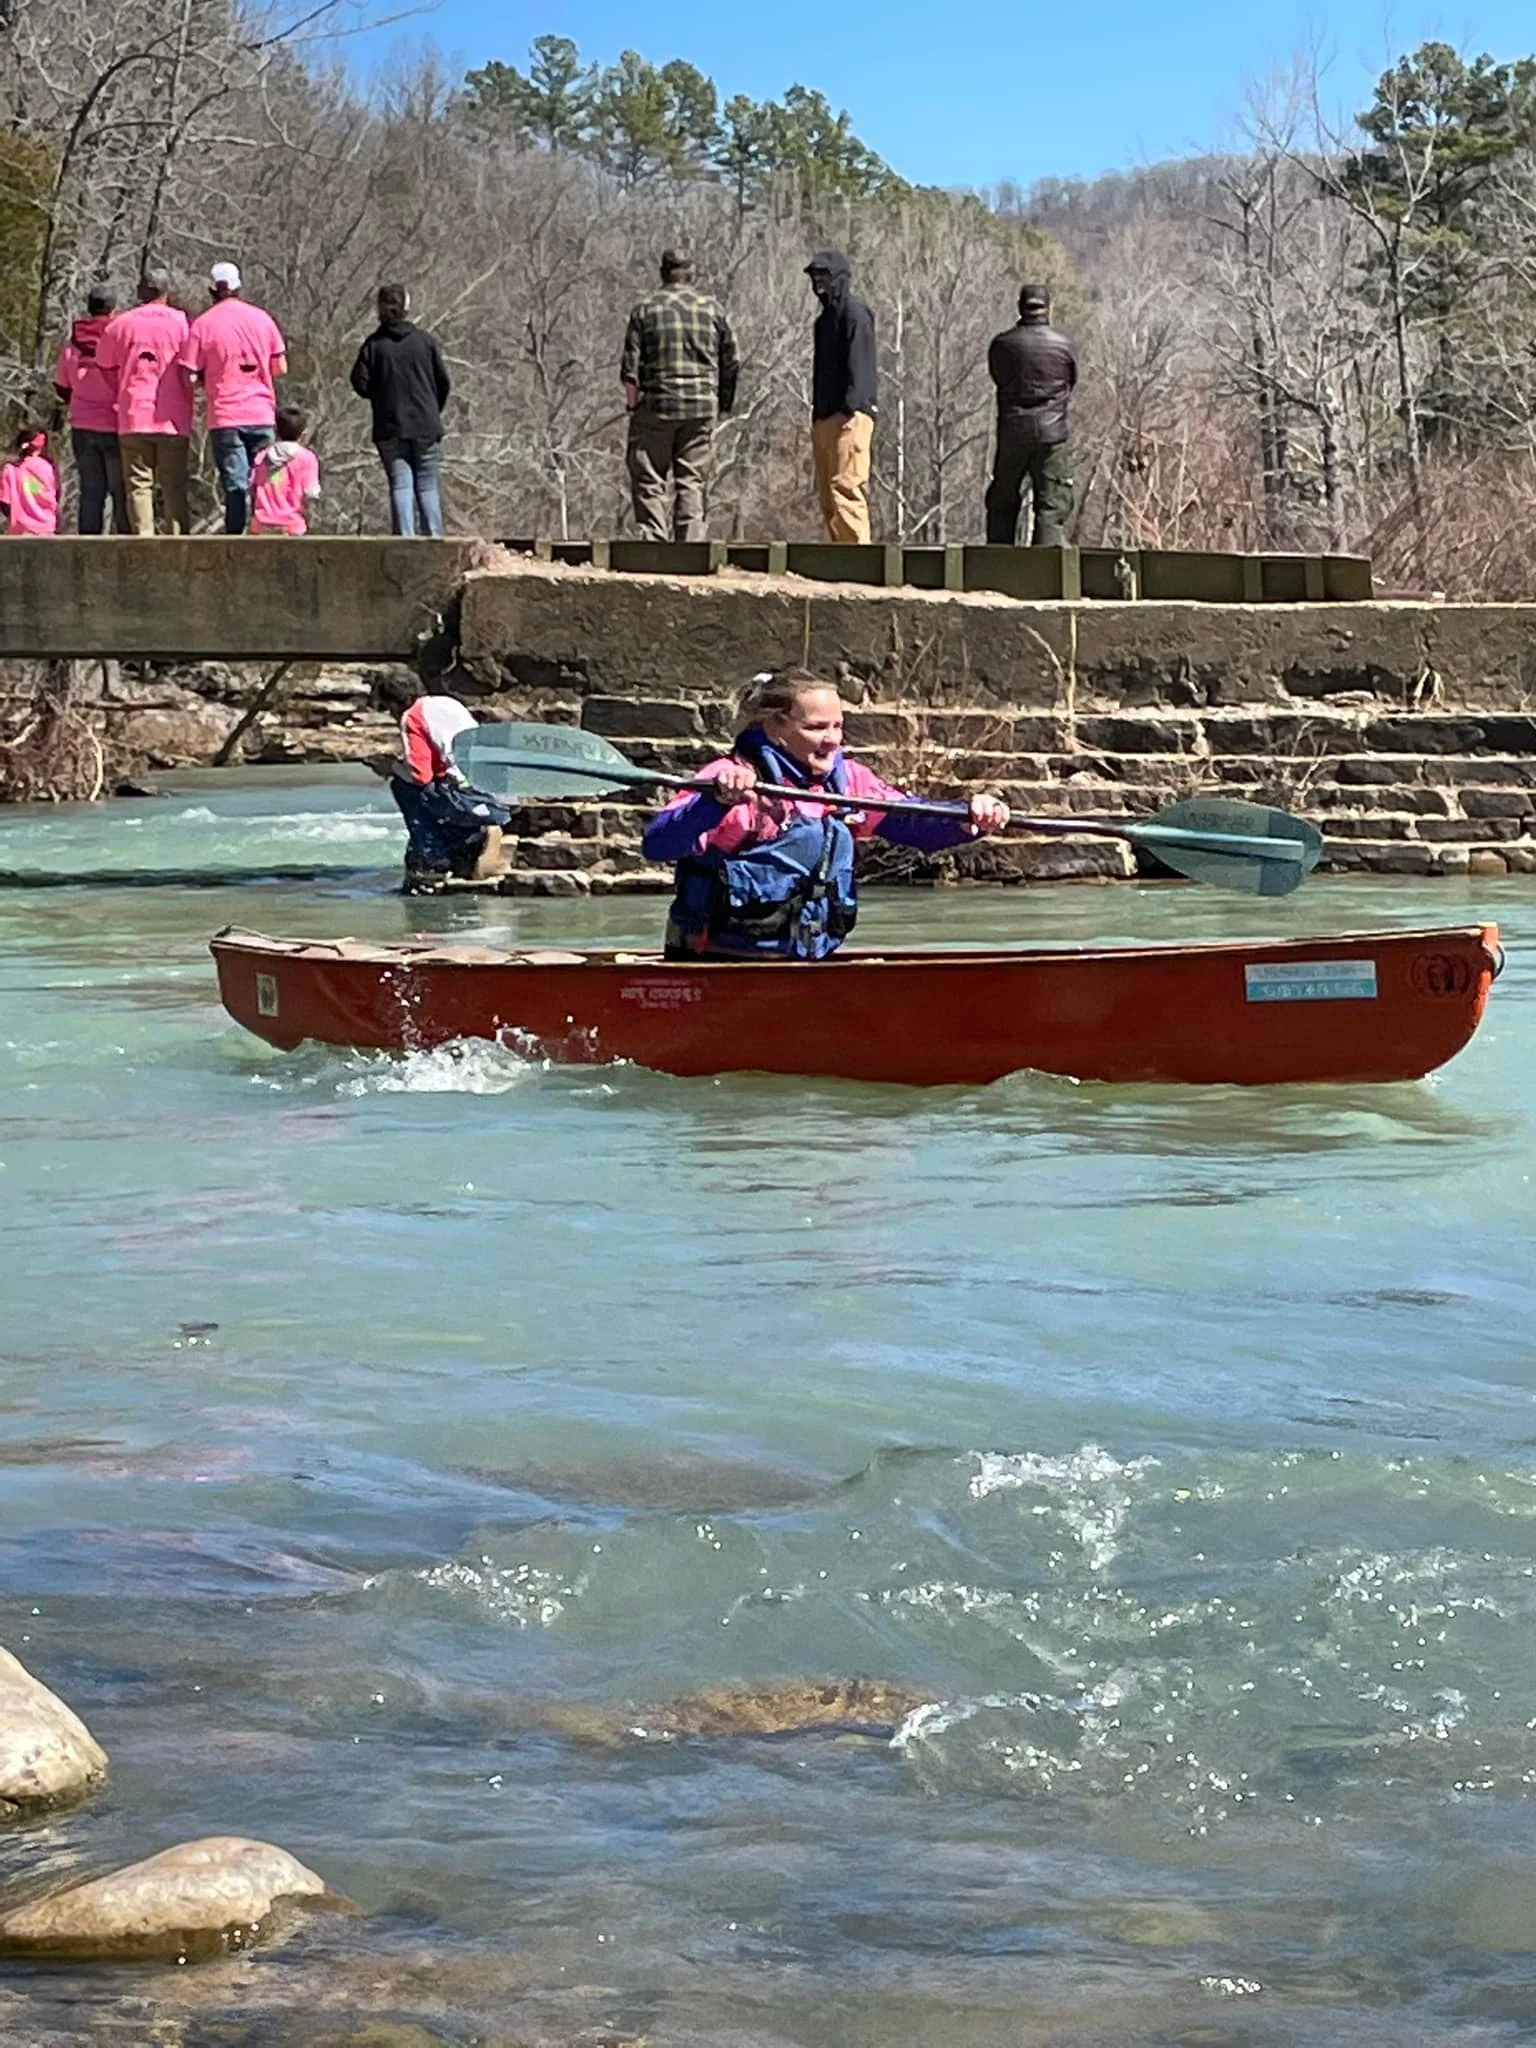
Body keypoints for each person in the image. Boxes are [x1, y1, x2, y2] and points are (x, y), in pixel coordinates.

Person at [641, 670, 1009, 960]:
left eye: (837, 726)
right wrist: (715, 803)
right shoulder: (730, 780)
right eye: (817, 728)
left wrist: (968, 816)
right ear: (774, 728)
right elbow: (658, 844)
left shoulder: (848, 783)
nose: (833, 740)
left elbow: (911, 822)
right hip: (721, 965)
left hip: (807, 964)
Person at [619, 249, 739, 544]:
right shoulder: (712, 310)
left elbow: (630, 372)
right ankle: (691, 547)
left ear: (663, 272)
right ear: (691, 274)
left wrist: (633, 406)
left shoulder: (645, 310)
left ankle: (653, 541)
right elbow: (732, 361)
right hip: (701, 407)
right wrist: (722, 402)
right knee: (691, 480)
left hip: (657, 406)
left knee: (649, 477)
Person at [180, 261, 288, 534]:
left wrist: (209, 378)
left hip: (225, 415)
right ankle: (267, 529)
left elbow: (189, 376)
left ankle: (235, 536)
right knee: (266, 479)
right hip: (261, 411)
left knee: (235, 482)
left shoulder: (203, 325)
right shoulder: (262, 318)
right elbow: (281, 367)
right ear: (239, 286)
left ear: (211, 290)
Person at [388, 679, 515, 889]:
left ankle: (435, 859)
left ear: (393, 704)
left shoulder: (411, 716)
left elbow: (421, 776)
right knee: (433, 790)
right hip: (494, 788)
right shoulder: (447, 702)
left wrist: (393, 767)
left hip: (466, 794)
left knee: (403, 787)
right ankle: (468, 835)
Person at [349, 284, 451, 538]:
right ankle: (435, 539)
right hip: (425, 423)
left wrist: (382, 395)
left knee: (401, 485)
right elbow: (443, 382)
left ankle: (404, 541)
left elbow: (359, 382)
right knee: (428, 486)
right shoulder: (425, 342)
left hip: (390, 425)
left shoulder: (374, 346)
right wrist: (432, 408)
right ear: (406, 307)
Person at [97, 266, 193, 535]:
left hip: (133, 413)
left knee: (138, 485)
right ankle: (178, 543)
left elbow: (104, 364)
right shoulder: (183, 324)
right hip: (174, 418)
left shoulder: (121, 325)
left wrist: (121, 387)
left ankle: (144, 541)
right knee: (174, 485)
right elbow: (193, 366)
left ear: (142, 289)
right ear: (167, 291)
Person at [985, 284, 1077, 547]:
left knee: (1002, 501)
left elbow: (998, 377)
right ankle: (1044, 570)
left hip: (1012, 431)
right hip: (1052, 434)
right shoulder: (1064, 345)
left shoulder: (1002, 344)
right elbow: (1071, 381)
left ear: (1020, 307)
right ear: (1049, 308)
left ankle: (994, 565)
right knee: (1052, 505)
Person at [805, 251, 877, 544]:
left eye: (824, 275)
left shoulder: (855, 314)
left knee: (846, 486)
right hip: (825, 416)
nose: (819, 282)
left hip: (850, 415)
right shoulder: (824, 322)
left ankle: (858, 558)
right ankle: (840, 555)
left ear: (839, 278)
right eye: (814, 276)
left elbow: (861, 364)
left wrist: (853, 409)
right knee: (828, 497)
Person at [52, 286, 127, 534]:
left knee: (91, 491)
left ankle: (87, 546)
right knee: (122, 491)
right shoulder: (120, 339)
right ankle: (125, 546)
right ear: (113, 309)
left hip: (83, 423)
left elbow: (62, 386)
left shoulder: (72, 345)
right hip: (115, 422)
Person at [250, 405, 321, 535]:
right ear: (303, 435)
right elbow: (311, 493)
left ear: (276, 431)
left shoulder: (261, 457)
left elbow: (253, 487)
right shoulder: (307, 458)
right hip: (292, 526)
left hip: (261, 526)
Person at [0, 428, 59, 535]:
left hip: (20, 530)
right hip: (47, 529)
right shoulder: (48, 468)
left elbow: (5, 505)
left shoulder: (10, 470)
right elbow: (52, 495)